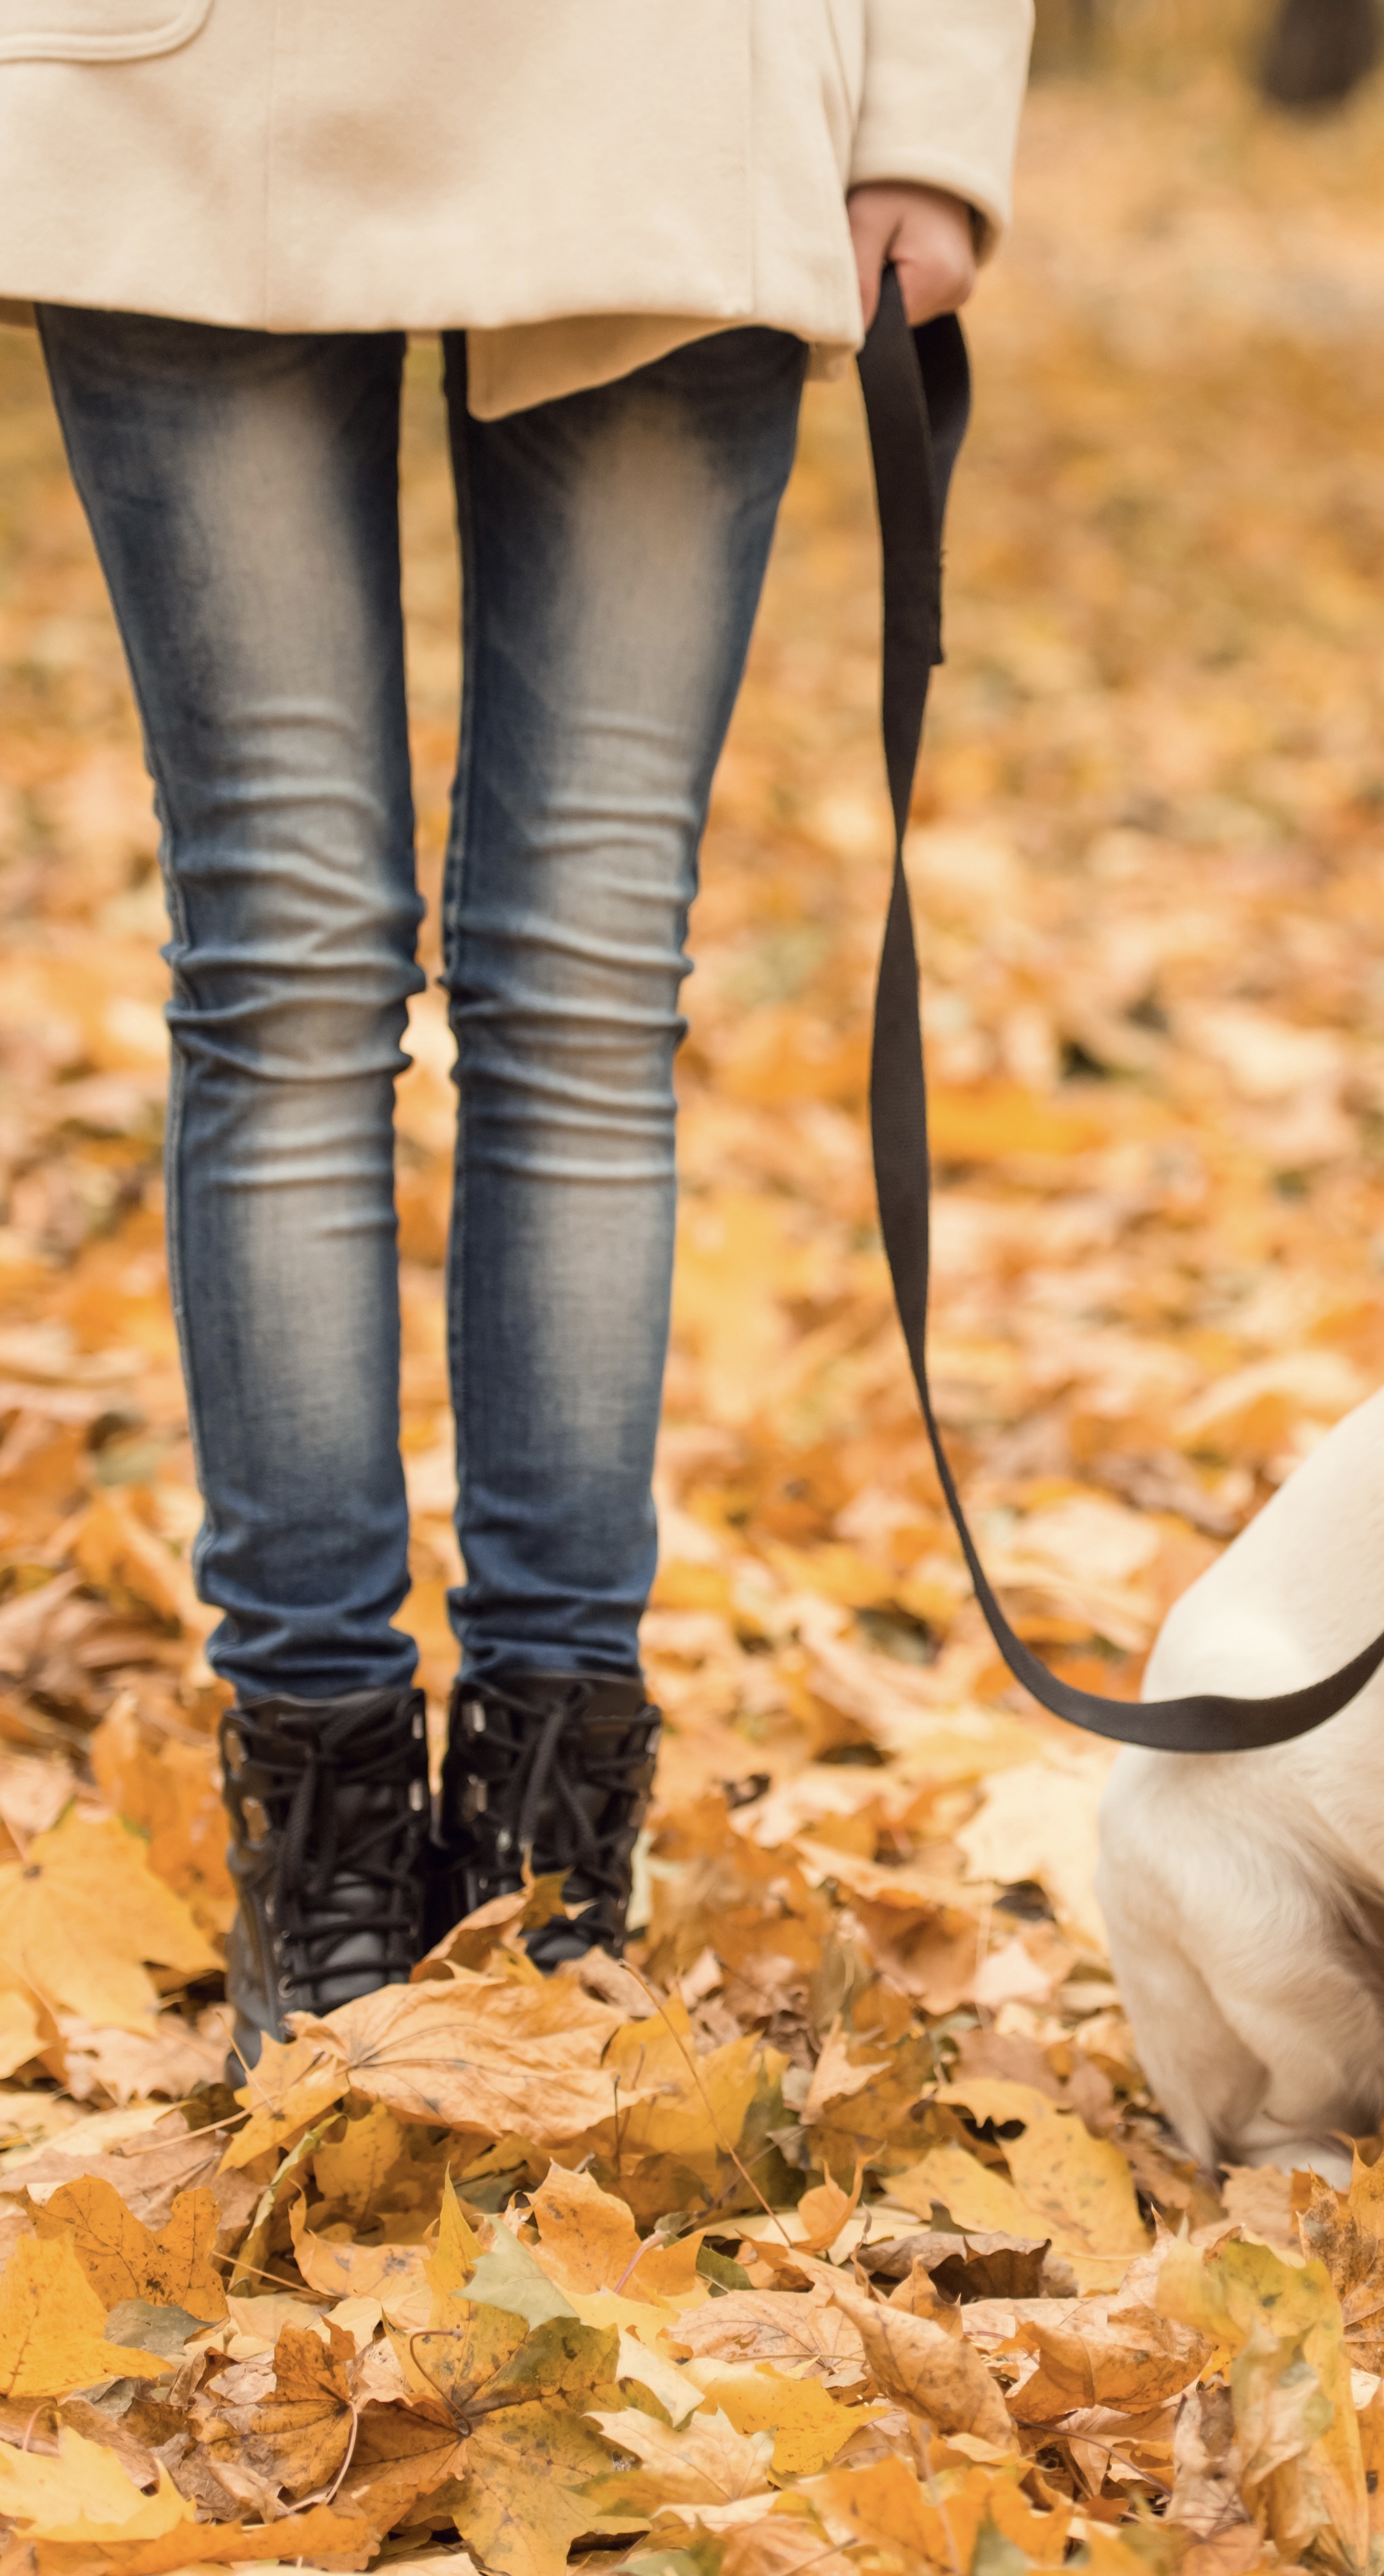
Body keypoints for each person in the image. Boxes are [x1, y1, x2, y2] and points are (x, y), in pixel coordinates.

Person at [0, 2, 1033, 2064]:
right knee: (287, 976)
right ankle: (330, 1844)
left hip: (668, 76)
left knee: (575, 995)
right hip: (185, 73)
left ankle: (556, 1857)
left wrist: (927, 109)